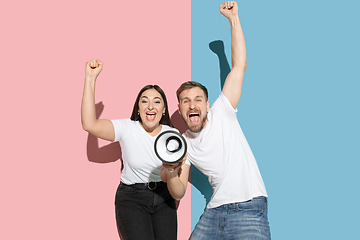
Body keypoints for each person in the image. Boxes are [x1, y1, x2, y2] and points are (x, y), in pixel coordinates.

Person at [176, 1, 271, 239]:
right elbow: (178, 191)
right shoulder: (182, 144)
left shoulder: (223, 111)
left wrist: (233, 19)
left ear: (207, 105)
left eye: (198, 99)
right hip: (213, 212)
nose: (192, 104)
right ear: (180, 109)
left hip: (249, 207)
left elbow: (239, 66)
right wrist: (168, 170)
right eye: (186, 101)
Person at [81, 59, 190, 240]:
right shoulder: (127, 128)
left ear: (163, 110)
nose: (150, 106)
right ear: (138, 108)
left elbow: (172, 178)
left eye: (157, 101)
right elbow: (89, 124)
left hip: (164, 198)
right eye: (144, 101)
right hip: (132, 199)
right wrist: (90, 79)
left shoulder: (172, 135)